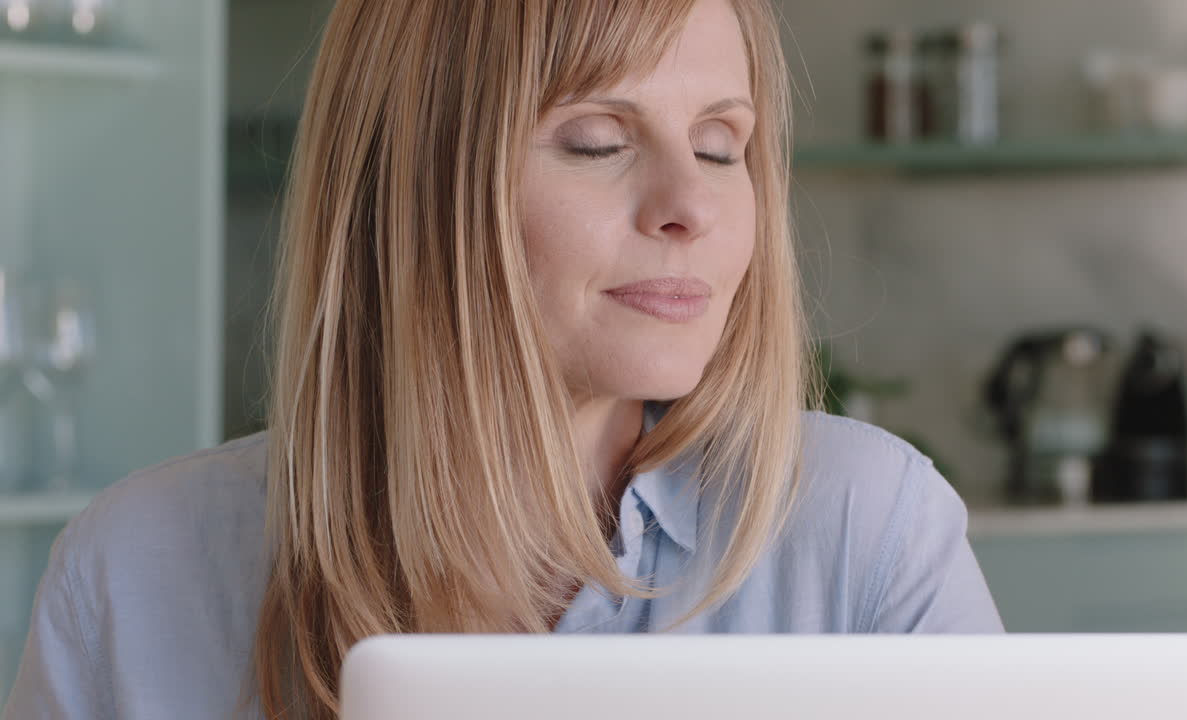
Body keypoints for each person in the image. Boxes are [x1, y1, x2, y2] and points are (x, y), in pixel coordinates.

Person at [3, 0, 1003, 717]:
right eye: (597, 139)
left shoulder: (867, 531)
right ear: (415, 179)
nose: (688, 206)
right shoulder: (133, 578)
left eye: (717, 143)